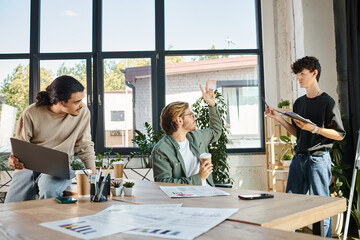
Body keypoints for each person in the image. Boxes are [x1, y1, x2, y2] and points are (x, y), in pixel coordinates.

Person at [265, 56, 345, 238]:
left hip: (318, 159)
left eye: (302, 74)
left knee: (320, 207)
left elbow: (339, 134)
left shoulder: (328, 102)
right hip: (298, 158)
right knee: (290, 206)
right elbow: (298, 134)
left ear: (314, 73)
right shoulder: (299, 103)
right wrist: (279, 119)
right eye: (297, 75)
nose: (298, 78)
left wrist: (315, 128)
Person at [5, 75, 96, 203]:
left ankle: (49, 222)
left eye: (81, 100)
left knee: (48, 189)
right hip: (28, 167)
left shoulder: (83, 112)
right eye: (76, 102)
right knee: (12, 205)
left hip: (58, 169)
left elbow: (85, 145)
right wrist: (13, 160)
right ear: (60, 102)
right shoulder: (31, 113)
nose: (81, 105)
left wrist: (93, 174)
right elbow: (20, 148)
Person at [152, 82, 222, 186]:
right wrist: (199, 178)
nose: (195, 118)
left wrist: (212, 105)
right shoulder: (161, 150)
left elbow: (216, 131)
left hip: (210, 193)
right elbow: (165, 184)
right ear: (179, 120)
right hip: (186, 199)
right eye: (191, 115)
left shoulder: (197, 137)